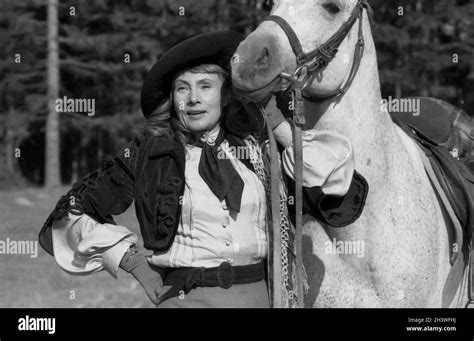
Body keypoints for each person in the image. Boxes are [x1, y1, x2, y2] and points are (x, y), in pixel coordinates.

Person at [38, 31, 368, 308]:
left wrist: (276, 121)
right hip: (185, 299)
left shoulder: (259, 149)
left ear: (226, 96)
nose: (193, 98)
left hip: (261, 298)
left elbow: (335, 188)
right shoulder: (150, 153)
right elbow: (72, 213)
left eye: (205, 86)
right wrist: (137, 264)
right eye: (183, 88)